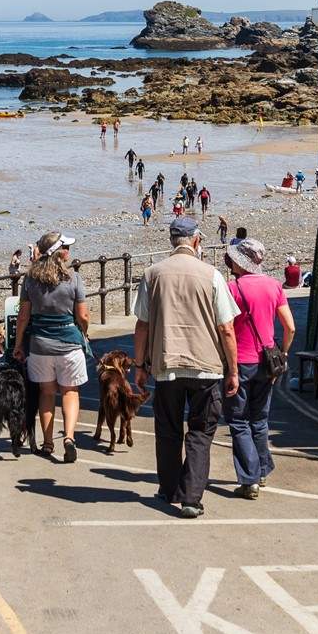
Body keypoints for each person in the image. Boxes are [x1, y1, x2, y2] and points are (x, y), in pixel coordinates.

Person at [134, 217, 238, 517]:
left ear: (172, 241)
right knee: (200, 432)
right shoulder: (212, 275)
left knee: (167, 429)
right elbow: (227, 328)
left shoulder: (152, 274)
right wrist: (233, 370)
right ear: (195, 240)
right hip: (206, 367)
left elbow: (142, 324)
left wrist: (139, 365)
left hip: (167, 365)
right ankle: (191, 497)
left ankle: (168, 489)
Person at [222, 238, 295, 499]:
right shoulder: (275, 286)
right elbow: (290, 327)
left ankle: (249, 478)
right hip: (267, 361)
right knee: (260, 419)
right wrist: (283, 353)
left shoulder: (232, 288)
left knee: (238, 420)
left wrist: (229, 367)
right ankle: (262, 470)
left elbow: (226, 328)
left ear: (239, 261)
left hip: (240, 361)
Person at [12, 231, 90, 463]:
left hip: (40, 345)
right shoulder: (74, 278)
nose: (69, 252)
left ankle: (47, 443)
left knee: (47, 393)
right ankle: (68, 437)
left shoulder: (30, 279)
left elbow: (23, 316)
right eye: (66, 248)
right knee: (70, 392)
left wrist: (18, 345)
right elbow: (83, 315)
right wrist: (84, 332)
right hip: (69, 342)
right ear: (58, 253)